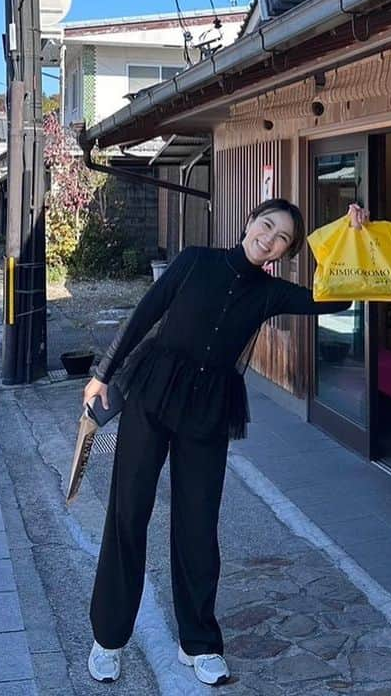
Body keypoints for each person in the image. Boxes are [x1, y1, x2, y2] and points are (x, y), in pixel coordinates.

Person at [82, 198, 369, 686]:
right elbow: (144, 313)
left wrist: (353, 236)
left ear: (284, 251)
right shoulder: (196, 260)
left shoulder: (270, 293)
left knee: (198, 523)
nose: (270, 238)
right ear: (250, 222)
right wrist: (101, 375)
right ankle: (108, 639)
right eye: (267, 225)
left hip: (209, 412)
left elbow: (336, 299)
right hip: (153, 395)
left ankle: (197, 643)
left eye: (282, 238)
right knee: (129, 513)